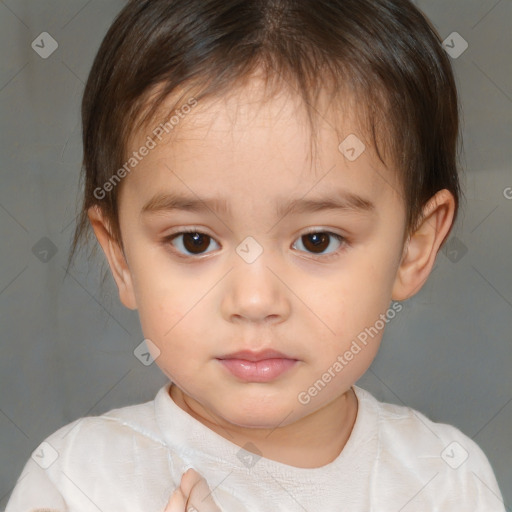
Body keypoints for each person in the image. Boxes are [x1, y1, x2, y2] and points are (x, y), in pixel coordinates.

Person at [6, 0, 506, 510]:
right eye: (194, 241)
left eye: (317, 240)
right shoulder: (74, 481)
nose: (253, 300)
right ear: (121, 256)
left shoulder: (448, 479)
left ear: (413, 249)